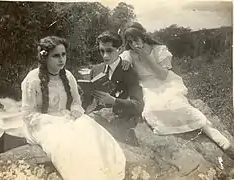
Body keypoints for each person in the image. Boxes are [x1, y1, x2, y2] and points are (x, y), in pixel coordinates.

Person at [119, 22, 234, 159]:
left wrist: (146, 57)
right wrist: (125, 57)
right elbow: (121, 57)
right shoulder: (129, 53)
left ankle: (211, 132)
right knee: (152, 109)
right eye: (130, 42)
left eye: (136, 40)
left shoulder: (159, 50)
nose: (134, 45)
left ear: (143, 36)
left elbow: (162, 75)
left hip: (165, 82)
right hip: (148, 86)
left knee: (177, 104)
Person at [21, 36, 126, 180]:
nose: (61, 59)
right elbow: (28, 114)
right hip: (42, 123)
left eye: (63, 55)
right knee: (67, 143)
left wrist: (76, 110)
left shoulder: (68, 76)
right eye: (56, 56)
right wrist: (53, 120)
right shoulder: (32, 79)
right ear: (44, 58)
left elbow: (76, 102)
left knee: (93, 133)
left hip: (66, 116)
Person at [85, 31, 144, 146]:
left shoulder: (129, 72)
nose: (105, 55)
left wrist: (114, 101)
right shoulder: (96, 70)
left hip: (122, 117)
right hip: (99, 115)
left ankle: (125, 134)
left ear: (120, 49)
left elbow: (138, 105)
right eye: (102, 51)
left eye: (109, 50)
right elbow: (87, 99)